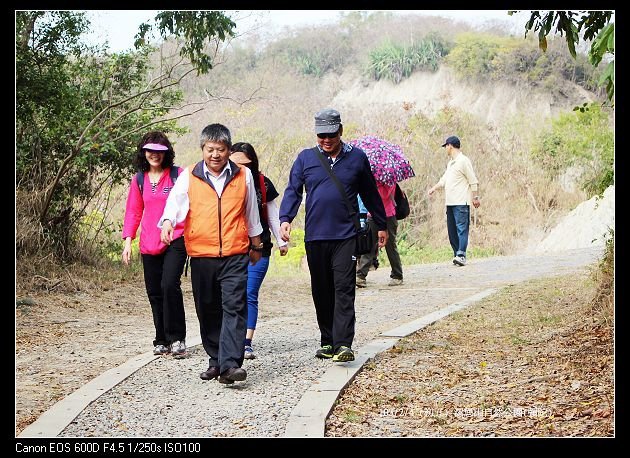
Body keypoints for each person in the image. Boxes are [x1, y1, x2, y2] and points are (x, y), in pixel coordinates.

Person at [279, 108, 388, 363]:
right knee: (321, 289)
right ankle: (326, 341)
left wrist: (381, 224)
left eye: (330, 135)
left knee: (343, 288)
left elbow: (371, 193)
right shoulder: (305, 158)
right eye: (321, 135)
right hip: (315, 235)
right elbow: (293, 190)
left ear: (340, 131)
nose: (326, 140)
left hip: (346, 235)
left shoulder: (357, 158)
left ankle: (343, 344)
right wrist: (286, 218)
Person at [159, 123, 263, 384]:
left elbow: (251, 211)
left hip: (235, 252)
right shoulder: (190, 176)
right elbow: (174, 204)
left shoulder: (243, 176)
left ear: (228, 150)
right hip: (202, 254)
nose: (215, 155)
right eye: (210, 149)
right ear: (203, 149)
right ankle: (216, 359)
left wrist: (256, 244)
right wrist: (169, 222)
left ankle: (230, 365)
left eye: (221, 149)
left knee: (234, 307)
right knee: (207, 308)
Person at [122, 131, 188, 358]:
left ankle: (177, 338)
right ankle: (161, 339)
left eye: (159, 151)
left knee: (170, 284)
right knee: (154, 292)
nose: (154, 155)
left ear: (166, 153)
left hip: (176, 238)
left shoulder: (178, 175)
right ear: (144, 152)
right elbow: (133, 210)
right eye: (150, 151)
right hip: (149, 241)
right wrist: (128, 241)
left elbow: (188, 206)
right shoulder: (139, 179)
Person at [230, 142, 289, 360]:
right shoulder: (223, 182)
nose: (242, 168)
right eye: (237, 163)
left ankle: (246, 342)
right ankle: (230, 339)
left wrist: (281, 241)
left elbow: (272, 214)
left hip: (259, 247)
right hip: (231, 248)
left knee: (249, 293)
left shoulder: (262, 183)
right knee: (231, 295)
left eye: (246, 163)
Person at [428, 135, 480, 266]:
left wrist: (475, 197)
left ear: (450, 146)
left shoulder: (464, 161)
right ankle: (457, 253)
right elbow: (444, 179)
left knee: (462, 229)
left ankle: (461, 254)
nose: (445, 148)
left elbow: (473, 180)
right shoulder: (451, 163)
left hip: (461, 202)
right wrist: (434, 188)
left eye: (446, 146)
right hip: (450, 203)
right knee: (452, 231)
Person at [356, 181, 404, 287]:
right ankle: (361, 275)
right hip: (372, 215)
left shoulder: (389, 178)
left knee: (390, 245)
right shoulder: (371, 179)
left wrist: (375, 187)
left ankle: (397, 274)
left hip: (389, 215)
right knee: (368, 244)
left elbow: (384, 195)